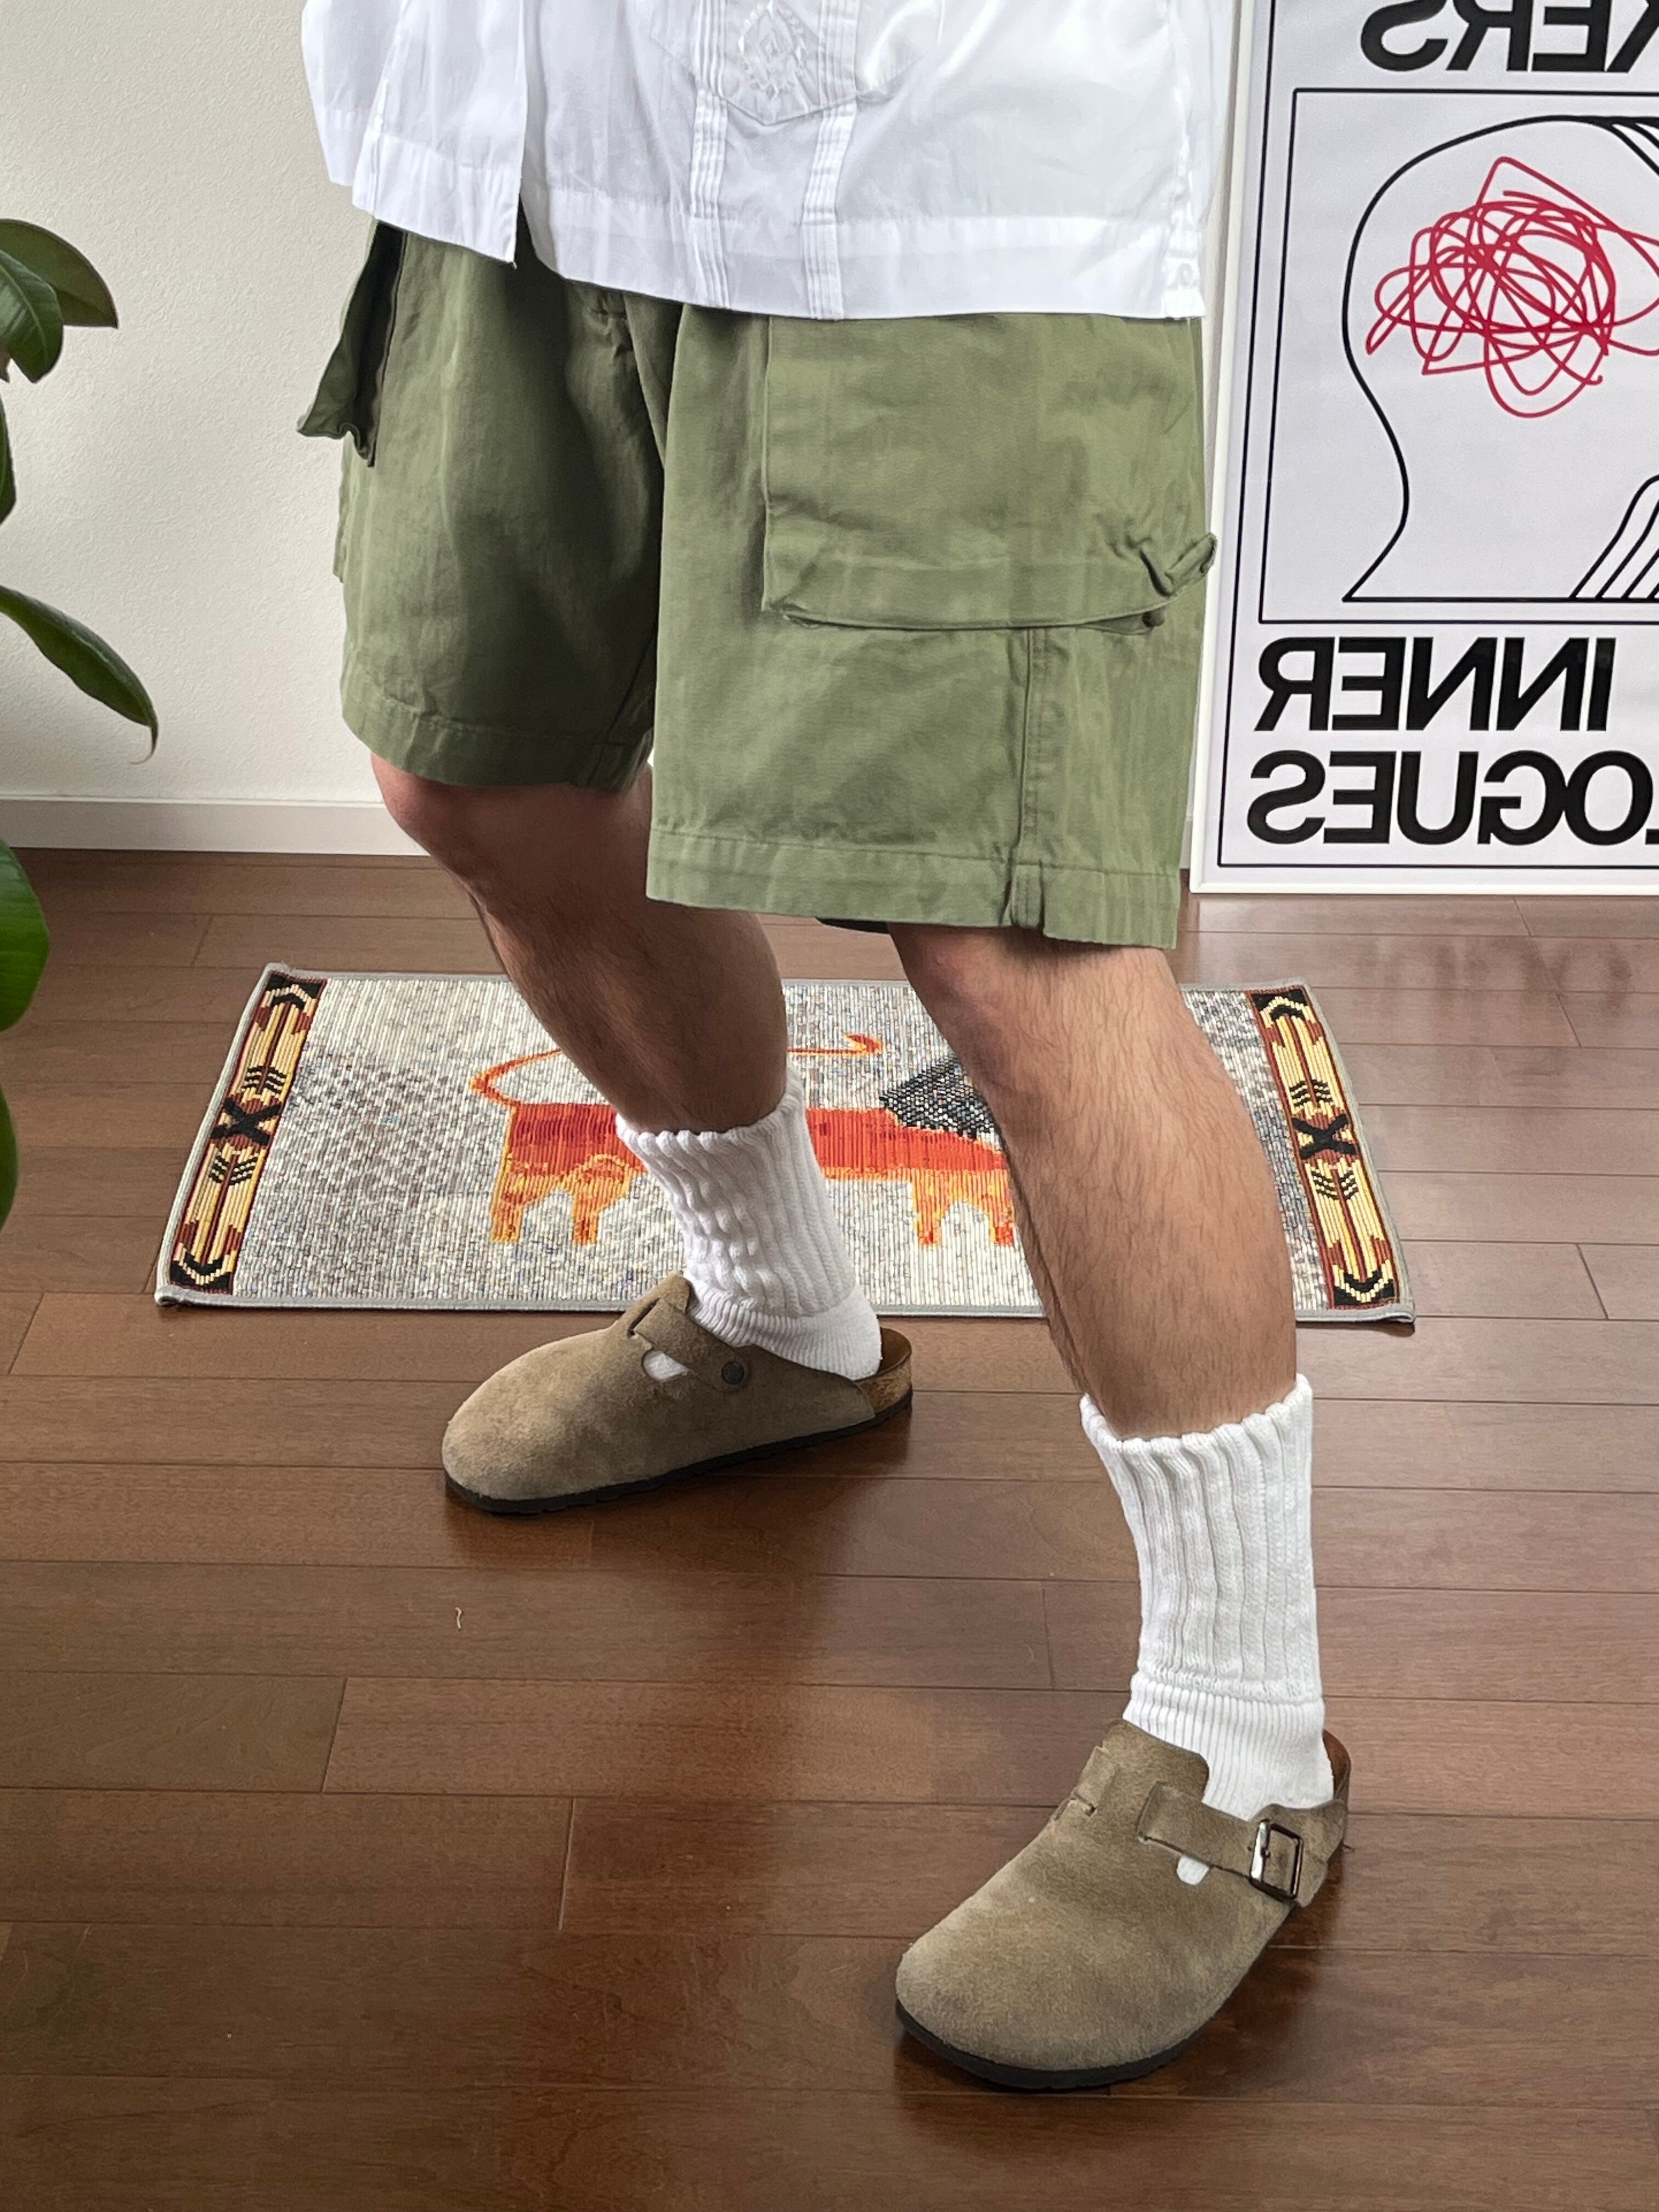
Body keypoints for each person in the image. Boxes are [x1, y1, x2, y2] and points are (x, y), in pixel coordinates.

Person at [297, 0, 1348, 2090]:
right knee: (479, 774)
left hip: (920, 173)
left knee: (1016, 943)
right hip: (499, 133)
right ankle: (779, 1318)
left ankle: (1249, 1744)